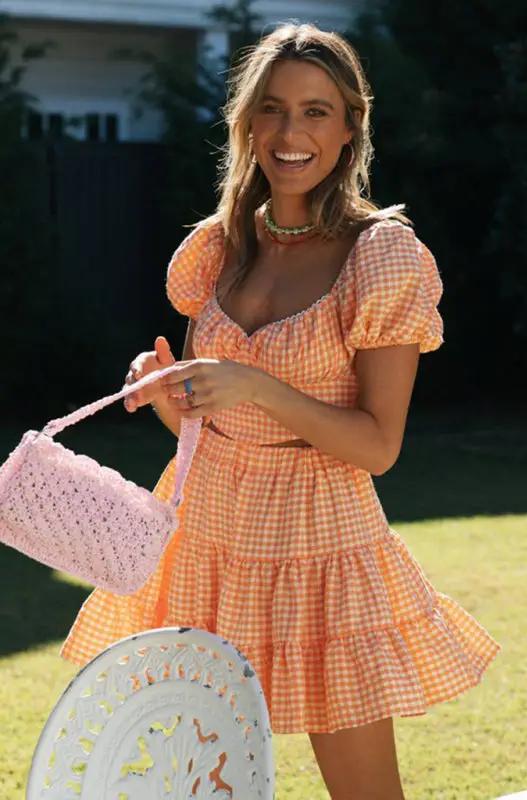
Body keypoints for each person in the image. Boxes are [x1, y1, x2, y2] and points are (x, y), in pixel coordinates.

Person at [59, 21, 501, 800]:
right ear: (248, 122)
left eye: (316, 111)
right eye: (272, 108)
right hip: (207, 538)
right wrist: (172, 392)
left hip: (322, 549)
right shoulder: (221, 247)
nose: (290, 132)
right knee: (203, 784)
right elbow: (217, 430)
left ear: (350, 127)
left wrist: (255, 383)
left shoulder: (383, 255)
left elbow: (377, 446)